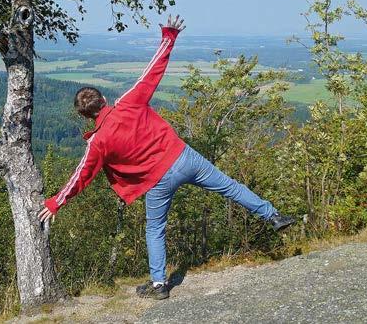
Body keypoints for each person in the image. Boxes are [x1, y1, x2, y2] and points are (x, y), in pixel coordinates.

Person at [38, 15, 295, 300]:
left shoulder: (97, 142)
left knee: (155, 229)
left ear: (85, 116)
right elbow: (152, 72)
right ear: (103, 100)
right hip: (185, 158)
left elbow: (81, 176)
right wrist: (169, 36)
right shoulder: (128, 103)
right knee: (230, 187)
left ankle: (159, 285)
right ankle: (273, 215)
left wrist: (56, 202)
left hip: (157, 181)